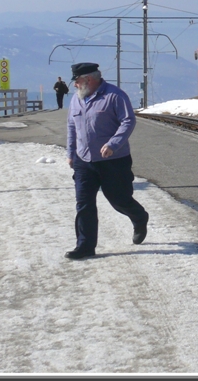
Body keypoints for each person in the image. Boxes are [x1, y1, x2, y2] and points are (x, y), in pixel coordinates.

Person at [64, 62, 149, 260]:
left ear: (88, 79)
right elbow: (71, 127)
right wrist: (71, 153)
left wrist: (113, 144)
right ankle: (84, 246)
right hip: (83, 160)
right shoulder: (76, 100)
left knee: (119, 200)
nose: (75, 85)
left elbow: (128, 121)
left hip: (113, 160)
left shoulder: (115, 95)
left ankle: (139, 217)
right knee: (84, 204)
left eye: (77, 81)